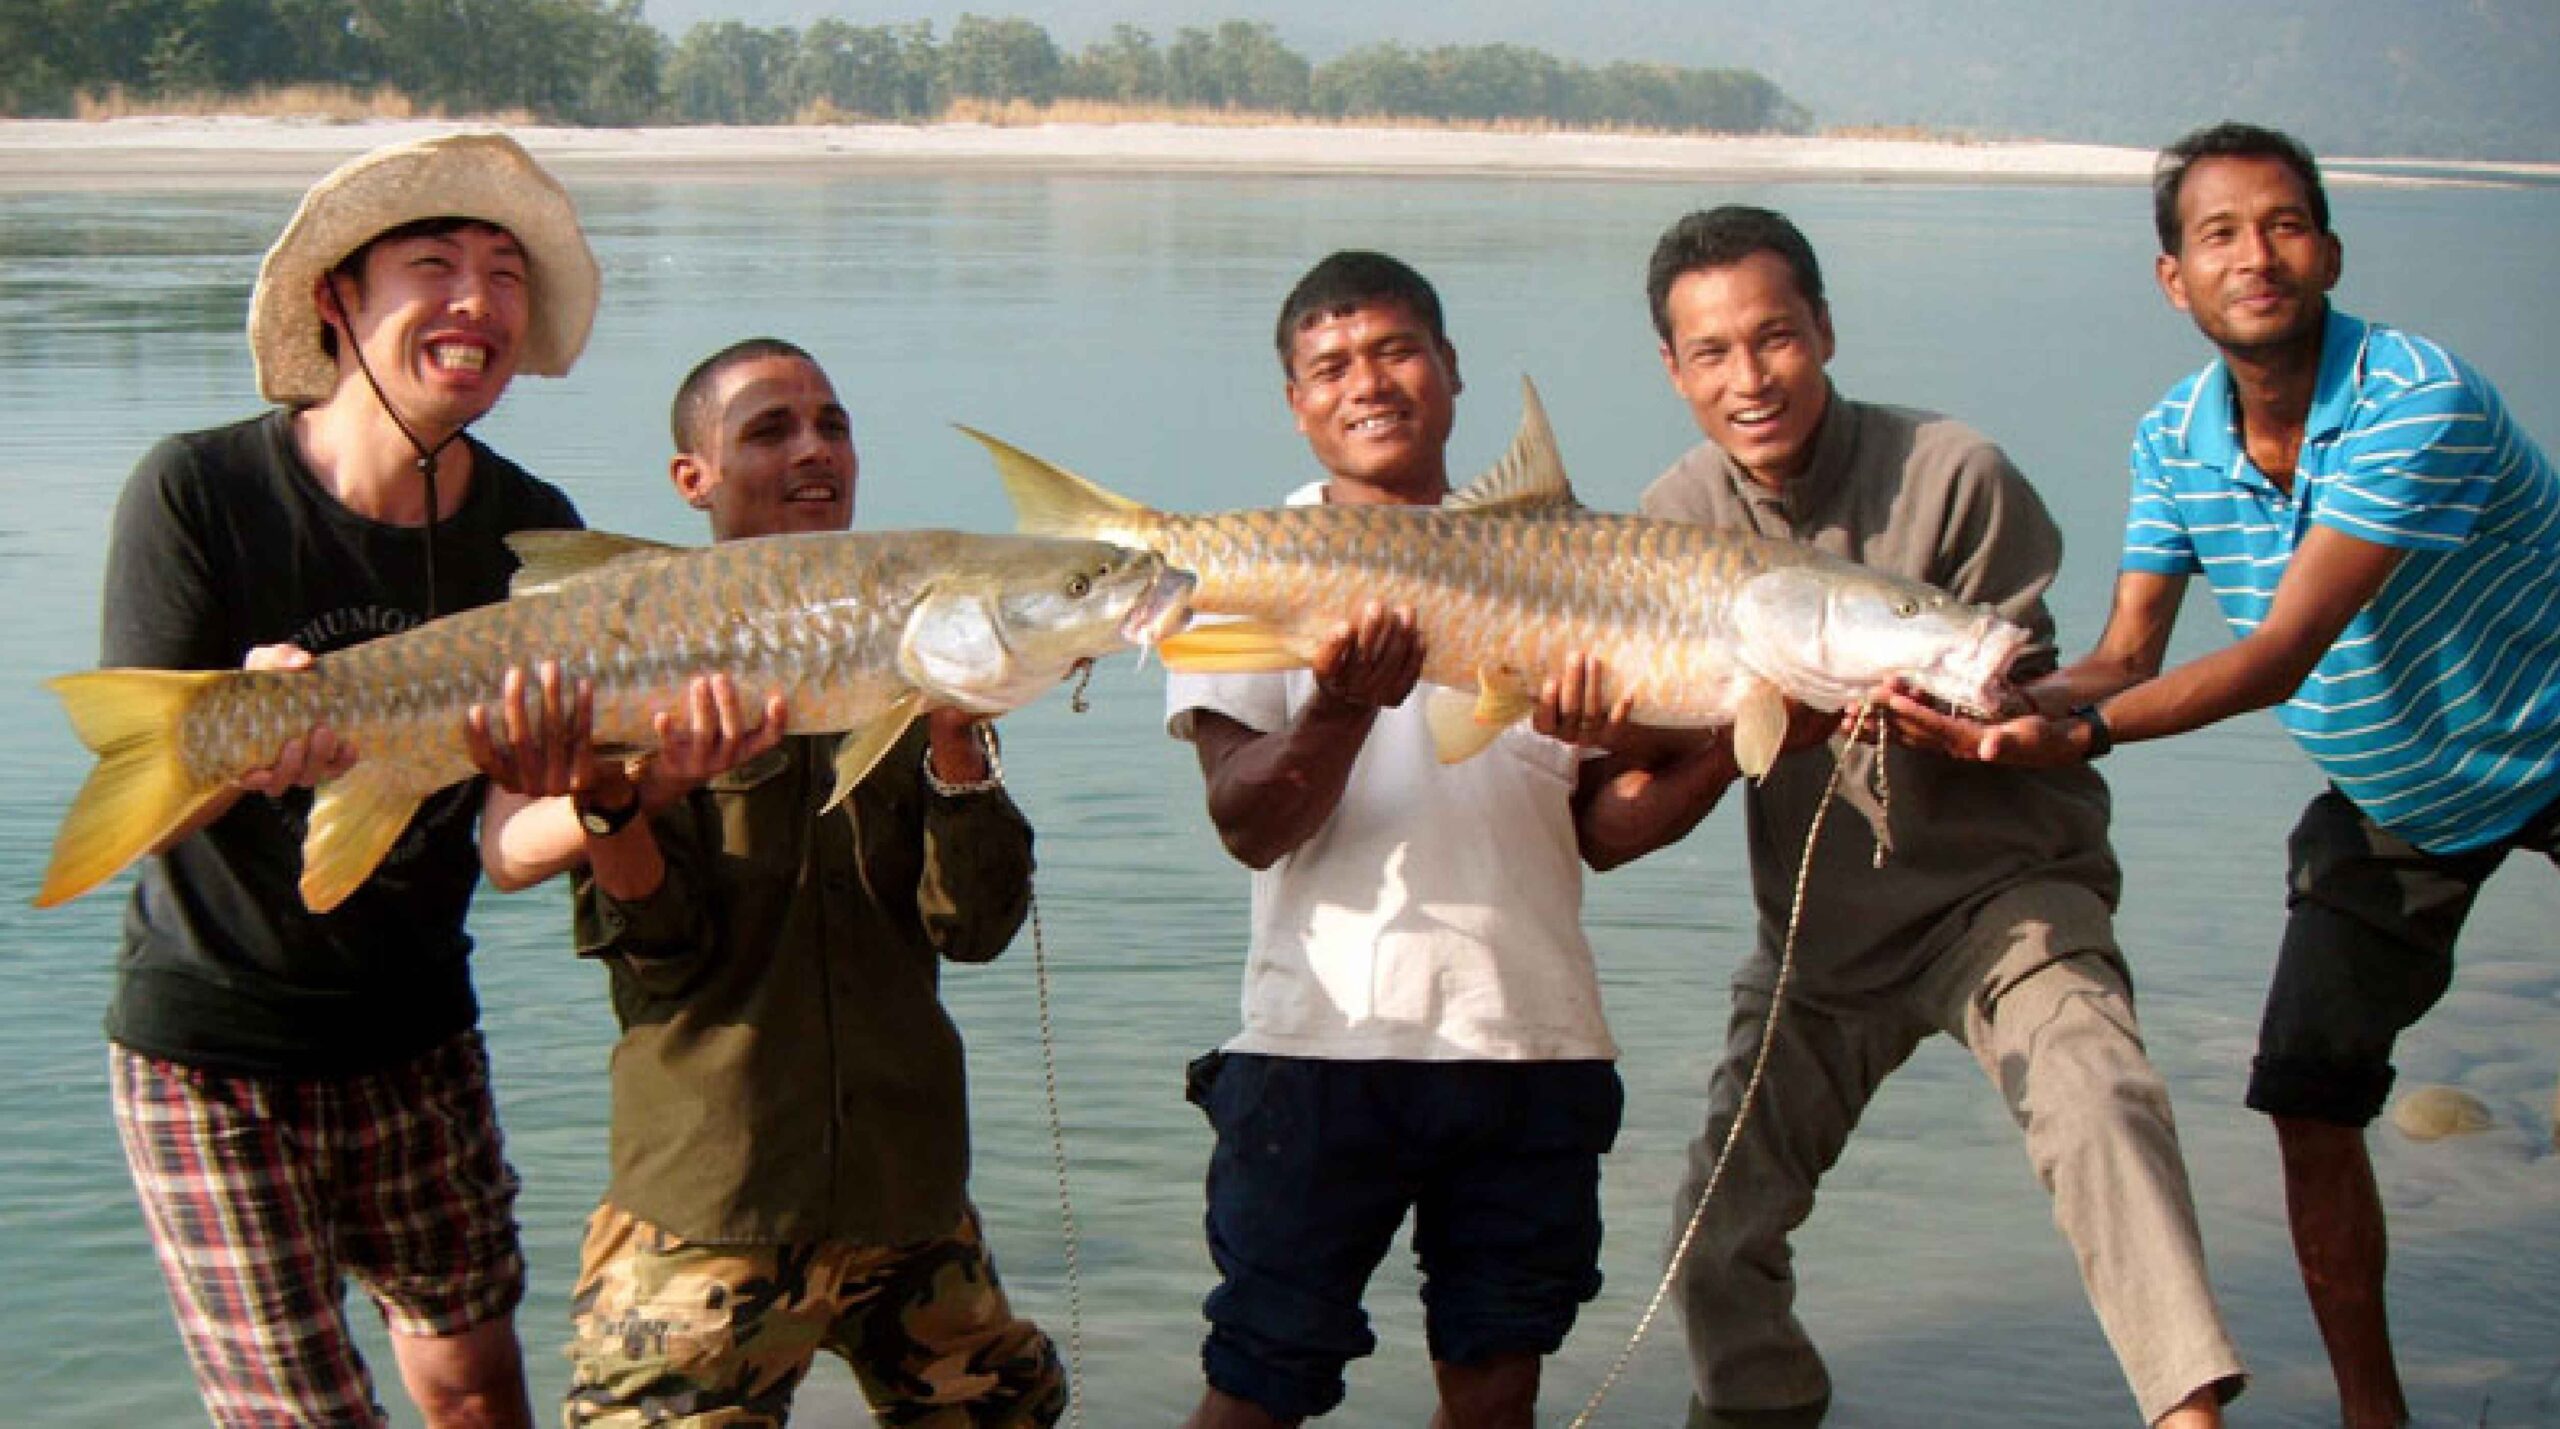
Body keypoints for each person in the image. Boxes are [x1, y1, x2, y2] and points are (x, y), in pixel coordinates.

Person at [1894, 123, 2560, 1429]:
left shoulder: (2416, 399)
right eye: (2218, 234)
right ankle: (2379, 1418)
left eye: (2283, 225)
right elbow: (2127, 651)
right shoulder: (2172, 439)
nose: (2256, 256)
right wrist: (1990, 702)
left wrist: (2077, 739)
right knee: (2308, 1096)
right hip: (2399, 804)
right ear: (2173, 279)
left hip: (2553, 747)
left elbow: (2278, 651)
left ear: (2329, 250)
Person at [1632, 206, 2247, 1428]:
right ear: (1674, 369)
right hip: (1818, 940)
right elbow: (1647, 762)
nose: (1748, 379)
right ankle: (1764, 1409)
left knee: (2099, 1098)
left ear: (1823, 329)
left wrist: (1984, 714)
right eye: (1711, 353)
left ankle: (2188, 1415)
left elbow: (2033, 676)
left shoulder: (1953, 469)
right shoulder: (1672, 517)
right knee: (1713, 1239)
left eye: (1775, 338)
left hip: (2000, 900)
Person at [1164, 250, 1722, 1429]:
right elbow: (1247, 822)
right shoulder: (1247, 570)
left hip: (1534, 1043)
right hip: (1319, 1049)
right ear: (1295, 403)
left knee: (1496, 1386)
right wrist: (1340, 702)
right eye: (1330, 365)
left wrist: (1738, 736)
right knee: (1259, 1381)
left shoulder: (1579, 566)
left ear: (1452, 370)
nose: (1367, 382)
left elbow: (1604, 836)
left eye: (1395, 349)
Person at [98, 132, 600, 1428]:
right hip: (214, 1049)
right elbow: (151, 802)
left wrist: (601, 794)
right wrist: (243, 736)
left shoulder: (533, 529)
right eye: (434, 265)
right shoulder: (198, 491)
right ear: (340, 300)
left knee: (479, 1392)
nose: (477, 304)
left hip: (420, 1030)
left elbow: (505, 837)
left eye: (503, 274)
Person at [475, 337, 1068, 1428]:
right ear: (690, 479)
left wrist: (956, 749)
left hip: (909, 1191)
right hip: (709, 1199)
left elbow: (975, 928)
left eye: (833, 426)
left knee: (1014, 1404)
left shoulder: (920, 639)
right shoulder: (628, 648)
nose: (814, 451)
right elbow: (663, 948)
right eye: (770, 429)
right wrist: (628, 795)